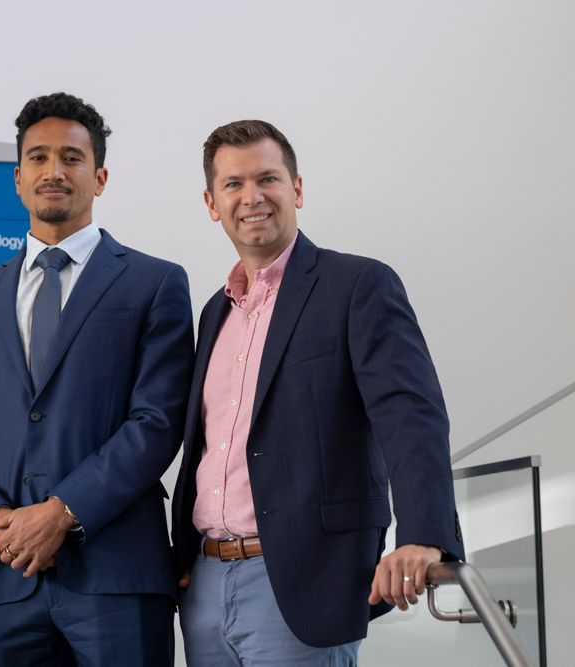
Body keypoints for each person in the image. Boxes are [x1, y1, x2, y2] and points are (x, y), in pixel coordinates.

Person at [171, 120, 465, 665]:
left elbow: (410, 415)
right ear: (212, 203)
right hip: (206, 586)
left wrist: (424, 534)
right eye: (233, 185)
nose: (251, 197)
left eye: (268, 178)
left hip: (301, 581)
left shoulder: (357, 285)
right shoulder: (214, 312)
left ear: (297, 189)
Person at [0, 92, 194, 666]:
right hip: (2, 575)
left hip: (117, 575)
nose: (55, 171)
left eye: (72, 159)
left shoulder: (154, 283)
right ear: (17, 178)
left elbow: (157, 422)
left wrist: (61, 512)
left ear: (99, 177)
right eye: (40, 158)